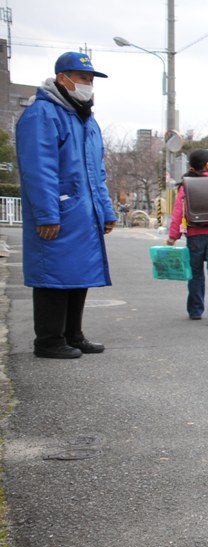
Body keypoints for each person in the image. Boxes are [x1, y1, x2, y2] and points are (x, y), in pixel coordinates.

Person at [16, 51, 116, 359]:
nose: (88, 84)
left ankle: (73, 334)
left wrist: (106, 210)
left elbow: (97, 172)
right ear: (63, 78)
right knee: (53, 275)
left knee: (77, 274)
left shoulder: (85, 119)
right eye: (83, 78)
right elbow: (38, 169)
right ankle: (48, 340)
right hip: (58, 209)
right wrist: (46, 214)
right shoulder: (42, 114)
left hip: (82, 212)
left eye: (90, 79)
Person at [165, 149, 208, 326]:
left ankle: (195, 310)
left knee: (195, 273)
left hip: (194, 235)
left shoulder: (185, 186)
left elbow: (178, 213)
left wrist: (173, 237)